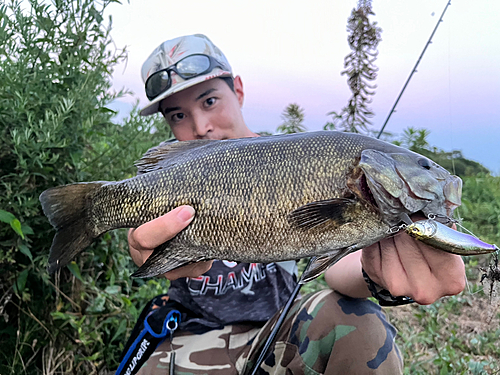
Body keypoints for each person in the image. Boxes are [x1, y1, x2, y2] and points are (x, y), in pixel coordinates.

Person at [127, 34, 466, 375]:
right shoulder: (170, 177)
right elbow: (143, 239)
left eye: (210, 101)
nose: (201, 126)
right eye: (178, 116)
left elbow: (337, 266)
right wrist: (143, 248)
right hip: (188, 335)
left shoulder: (299, 159)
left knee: (362, 324)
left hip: (277, 333)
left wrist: (373, 273)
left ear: (238, 90)